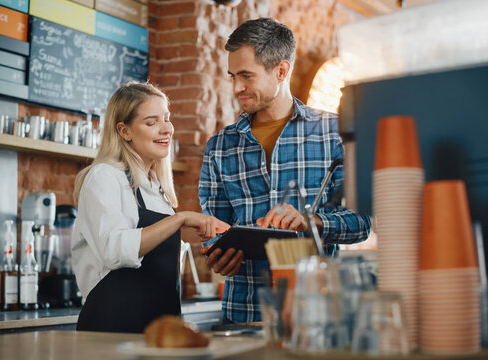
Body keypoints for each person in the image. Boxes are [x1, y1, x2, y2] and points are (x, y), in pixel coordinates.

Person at [199, 18, 372, 323]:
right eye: (232, 76)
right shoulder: (220, 146)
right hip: (244, 315)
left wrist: (312, 221)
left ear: (281, 70)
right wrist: (218, 253)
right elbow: (214, 229)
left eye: (246, 76)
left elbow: (361, 223)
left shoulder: (334, 134)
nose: (237, 87)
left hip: (318, 315)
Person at [72, 82, 230, 333]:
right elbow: (114, 250)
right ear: (124, 131)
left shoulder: (156, 188)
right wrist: (181, 219)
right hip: (113, 329)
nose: (166, 129)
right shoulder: (105, 177)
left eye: (167, 119)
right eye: (152, 122)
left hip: (158, 328)